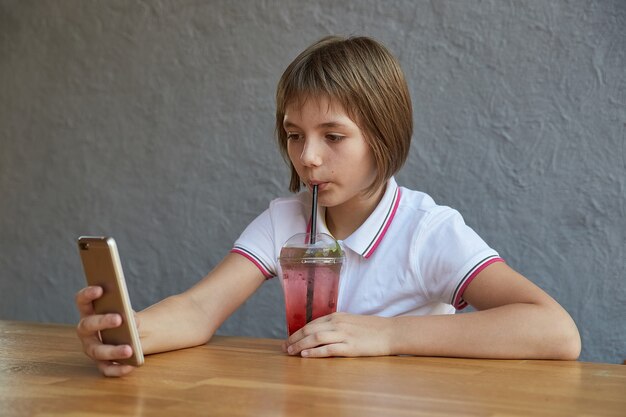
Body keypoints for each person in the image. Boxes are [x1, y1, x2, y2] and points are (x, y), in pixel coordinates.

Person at [75, 35, 581, 377]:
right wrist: (129, 334)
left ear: (383, 137)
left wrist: (387, 334)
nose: (308, 158)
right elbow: (199, 309)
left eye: (333, 136)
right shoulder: (286, 221)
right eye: (295, 136)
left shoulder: (426, 230)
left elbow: (556, 332)